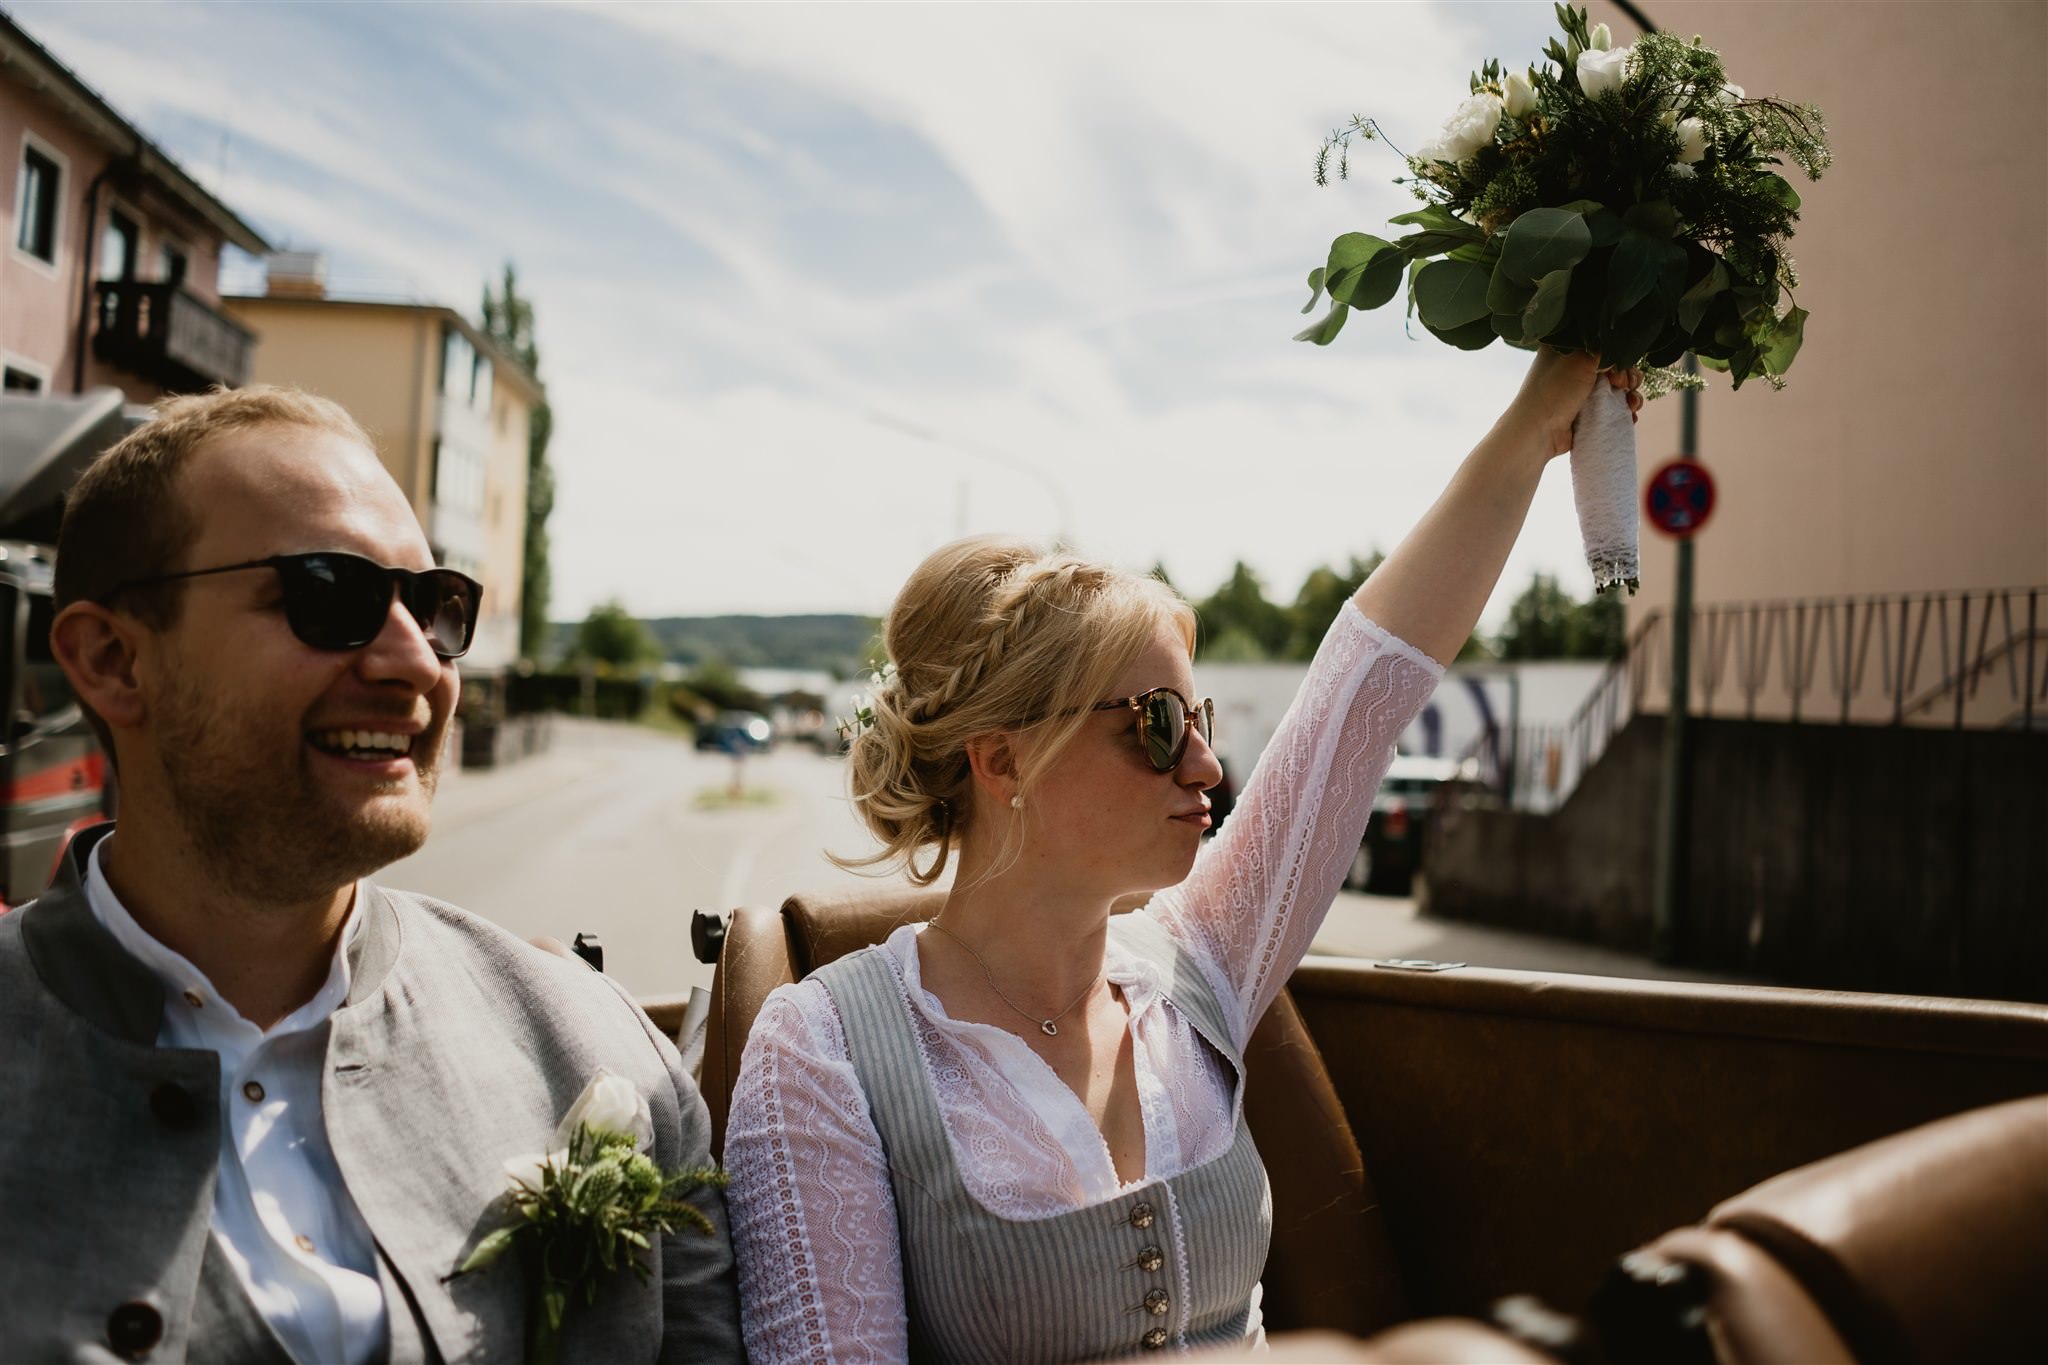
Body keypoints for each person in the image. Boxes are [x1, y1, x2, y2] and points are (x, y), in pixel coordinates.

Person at [724, 349, 1641, 1362]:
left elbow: (1363, 688)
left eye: (1196, 717)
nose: (1205, 763)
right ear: (1002, 759)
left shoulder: (1195, 966)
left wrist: (1531, 426)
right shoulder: (820, 1052)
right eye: (1155, 723)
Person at [0, 388, 742, 1363]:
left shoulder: (589, 1048)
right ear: (113, 661)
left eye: (437, 607)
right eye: (329, 594)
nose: (414, 662)